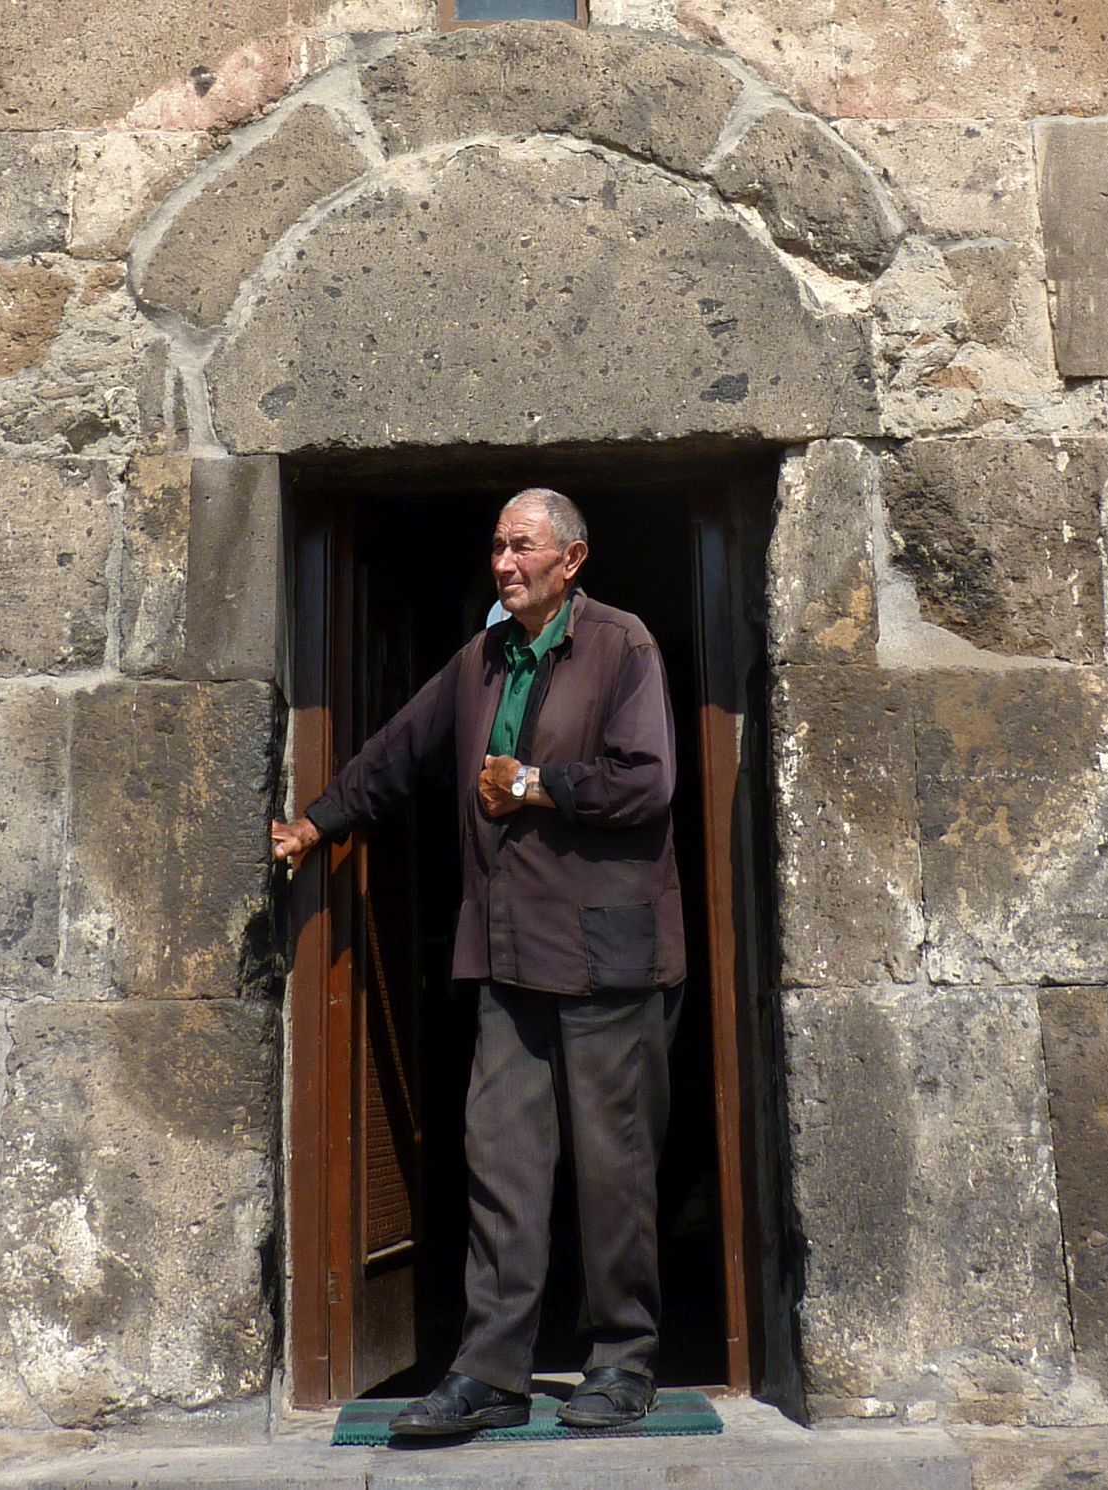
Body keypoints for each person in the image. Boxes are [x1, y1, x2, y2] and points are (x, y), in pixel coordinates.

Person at [270, 488, 686, 1435]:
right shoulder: (483, 658)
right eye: (497, 547)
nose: (504, 563)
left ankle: (624, 1361)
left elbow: (649, 782)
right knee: (500, 1163)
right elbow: (400, 750)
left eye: (522, 547)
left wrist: (536, 784)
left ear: (571, 560)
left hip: (610, 958)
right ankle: (492, 1371)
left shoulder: (622, 645)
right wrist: (318, 823)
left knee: (613, 1169)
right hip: (508, 953)